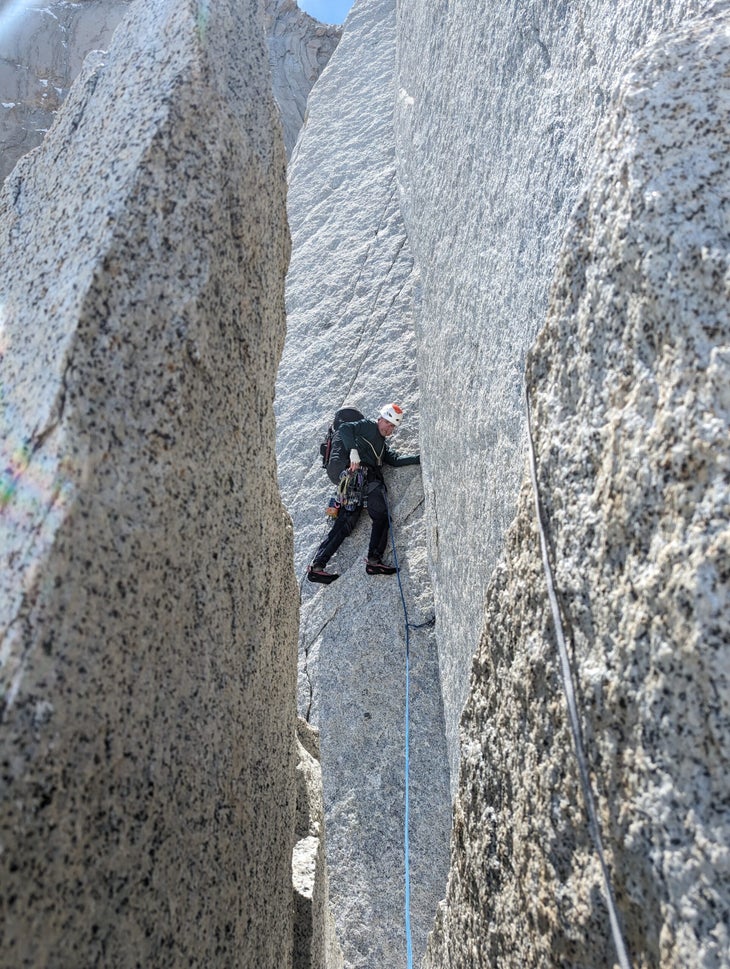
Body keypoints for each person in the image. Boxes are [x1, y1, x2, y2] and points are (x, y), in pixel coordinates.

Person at [306, 402, 420, 584]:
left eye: (393, 427)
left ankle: (317, 566)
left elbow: (395, 460)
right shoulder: (368, 426)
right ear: (380, 418)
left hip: (353, 482)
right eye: (388, 423)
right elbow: (344, 429)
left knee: (345, 522)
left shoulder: (381, 444)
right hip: (365, 478)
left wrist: (421, 458)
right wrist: (353, 452)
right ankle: (373, 561)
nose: (389, 429)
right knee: (381, 516)